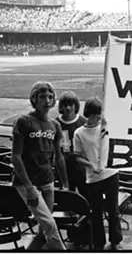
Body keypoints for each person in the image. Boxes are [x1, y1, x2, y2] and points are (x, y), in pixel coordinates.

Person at [11, 81, 68, 250]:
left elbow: (59, 157)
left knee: (44, 228)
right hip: (27, 182)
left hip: (47, 180)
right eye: (43, 97)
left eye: (51, 97)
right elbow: (16, 157)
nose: (47, 100)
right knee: (50, 224)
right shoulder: (23, 121)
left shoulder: (55, 125)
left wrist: (65, 183)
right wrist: (29, 188)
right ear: (34, 99)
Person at [73, 97, 123, 251]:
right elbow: (78, 157)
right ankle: (98, 243)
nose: (98, 117)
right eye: (95, 114)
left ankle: (115, 240)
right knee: (96, 212)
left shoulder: (106, 126)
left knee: (113, 210)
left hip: (110, 174)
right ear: (89, 114)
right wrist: (90, 165)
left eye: (99, 114)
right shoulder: (79, 133)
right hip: (93, 178)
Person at [55, 91, 88, 201]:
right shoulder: (55, 124)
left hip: (81, 169)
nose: (68, 108)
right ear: (61, 107)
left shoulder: (84, 122)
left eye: (71, 105)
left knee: (87, 198)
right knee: (68, 201)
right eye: (65, 105)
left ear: (76, 105)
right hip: (64, 171)